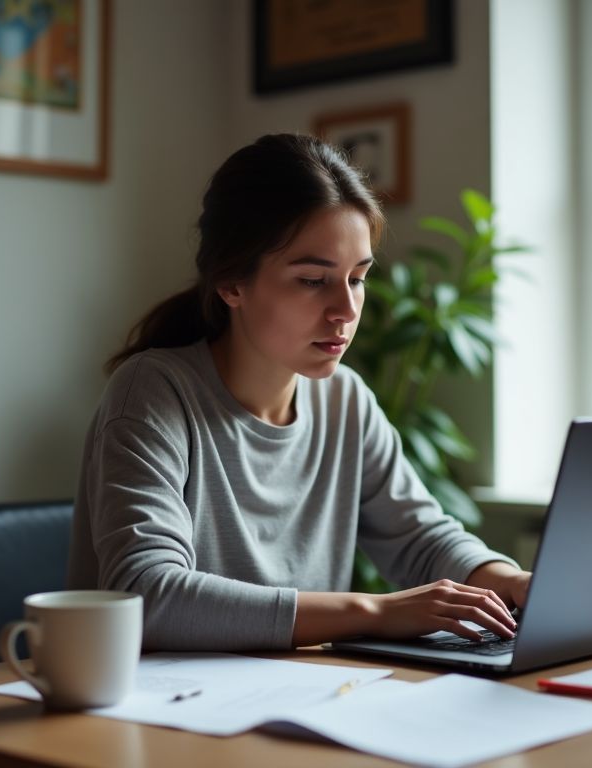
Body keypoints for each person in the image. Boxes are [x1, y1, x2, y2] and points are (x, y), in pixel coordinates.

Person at [67, 133, 531, 650]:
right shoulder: (154, 394)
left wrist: (510, 581)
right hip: (156, 712)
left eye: (357, 278)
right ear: (231, 284)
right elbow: (146, 597)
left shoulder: (346, 401)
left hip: (299, 698)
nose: (346, 311)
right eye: (314, 280)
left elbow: (420, 538)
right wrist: (371, 611)